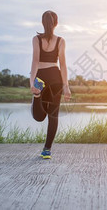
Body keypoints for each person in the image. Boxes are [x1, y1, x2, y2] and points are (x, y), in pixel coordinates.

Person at [29, 10, 71, 159]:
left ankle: (37, 96)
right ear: (56, 23)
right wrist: (66, 86)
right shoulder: (60, 41)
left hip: (40, 76)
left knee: (39, 117)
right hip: (55, 77)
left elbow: (35, 61)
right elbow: (63, 65)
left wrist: (32, 80)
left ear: (42, 22)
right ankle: (47, 150)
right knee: (53, 115)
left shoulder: (36, 39)